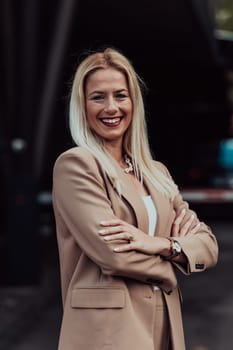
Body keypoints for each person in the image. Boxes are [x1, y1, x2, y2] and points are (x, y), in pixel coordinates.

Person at [52, 48, 218, 350]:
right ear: (82, 105)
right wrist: (177, 260)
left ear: (134, 102)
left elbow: (207, 244)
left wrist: (165, 244)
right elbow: (113, 254)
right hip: (108, 331)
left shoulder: (156, 172)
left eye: (120, 95)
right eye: (98, 97)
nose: (111, 107)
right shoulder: (77, 164)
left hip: (165, 321)